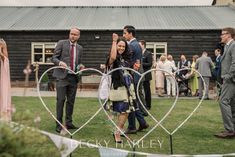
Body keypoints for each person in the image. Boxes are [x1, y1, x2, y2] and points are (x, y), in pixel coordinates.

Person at [52, 27, 84, 133]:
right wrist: (59, 62)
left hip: (73, 78)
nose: (73, 36)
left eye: (75, 34)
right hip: (61, 77)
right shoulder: (61, 43)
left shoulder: (80, 48)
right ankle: (59, 124)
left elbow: (78, 63)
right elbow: (54, 58)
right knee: (60, 100)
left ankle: (69, 123)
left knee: (71, 102)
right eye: (71, 34)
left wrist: (80, 66)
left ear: (79, 36)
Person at [107, 33, 134, 143]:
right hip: (119, 86)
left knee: (126, 110)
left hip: (128, 86)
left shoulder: (126, 57)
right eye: (119, 45)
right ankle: (117, 132)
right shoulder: (112, 57)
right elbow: (112, 58)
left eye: (123, 46)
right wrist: (114, 41)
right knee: (123, 110)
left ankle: (118, 130)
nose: (121, 48)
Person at [123, 25, 149, 134]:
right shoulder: (136, 44)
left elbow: (127, 60)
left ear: (130, 34)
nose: (123, 35)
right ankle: (141, 123)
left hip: (132, 76)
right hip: (136, 75)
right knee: (133, 101)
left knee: (131, 101)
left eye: (125, 33)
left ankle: (132, 126)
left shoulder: (132, 46)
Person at [215, 27, 235, 138]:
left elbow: (234, 63)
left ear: (229, 35)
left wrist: (228, 76)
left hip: (231, 79)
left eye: (223, 34)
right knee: (232, 104)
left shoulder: (233, 45)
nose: (221, 36)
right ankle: (232, 129)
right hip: (230, 79)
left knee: (223, 101)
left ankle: (229, 130)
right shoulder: (227, 46)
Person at [0, 38, 12, 122]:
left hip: (2, 78)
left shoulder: (4, 58)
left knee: (3, 95)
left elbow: (6, 60)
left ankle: (4, 116)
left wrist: (1, 51)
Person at [139, 40, 153, 110]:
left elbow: (150, 64)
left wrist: (141, 64)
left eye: (140, 45)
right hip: (140, 74)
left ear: (143, 45)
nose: (138, 46)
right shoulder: (139, 53)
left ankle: (148, 105)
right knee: (140, 90)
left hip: (146, 74)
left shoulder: (148, 53)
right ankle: (142, 104)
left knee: (147, 90)